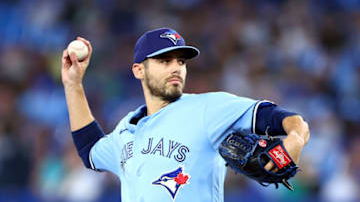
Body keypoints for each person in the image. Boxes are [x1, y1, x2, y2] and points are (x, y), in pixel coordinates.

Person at [61, 28, 310, 202]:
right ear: (139, 70)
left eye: (181, 61)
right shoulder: (126, 127)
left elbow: (282, 118)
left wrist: (295, 138)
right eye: (164, 61)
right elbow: (90, 150)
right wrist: (73, 85)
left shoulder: (208, 108)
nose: (176, 68)